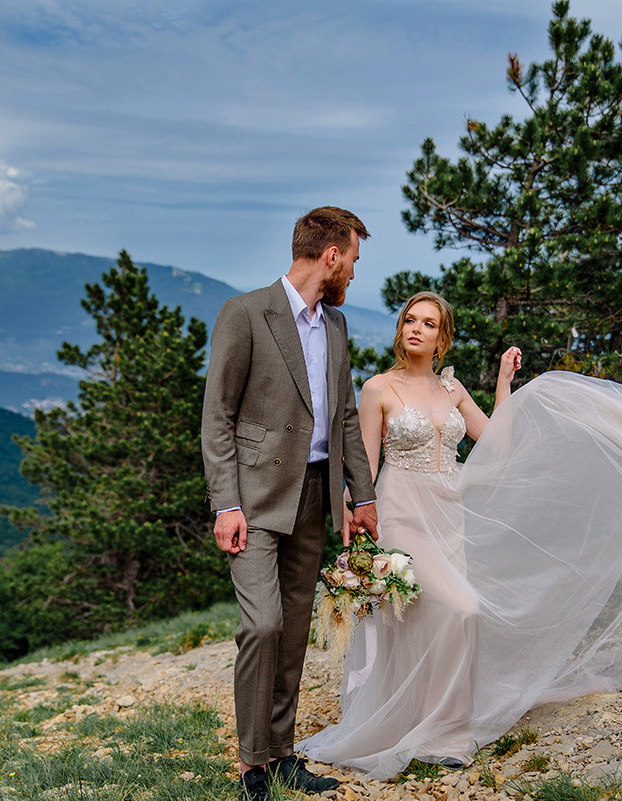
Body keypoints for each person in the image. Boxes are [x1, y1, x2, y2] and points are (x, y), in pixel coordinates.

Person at [299, 292, 622, 779]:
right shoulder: (378, 389)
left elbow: (498, 441)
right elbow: (365, 466)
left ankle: (442, 727)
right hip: (402, 513)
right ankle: (424, 723)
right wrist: (356, 520)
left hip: (450, 512)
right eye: (410, 319)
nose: (416, 328)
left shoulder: (451, 390)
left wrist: (503, 382)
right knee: (462, 610)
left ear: (441, 338)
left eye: (429, 323)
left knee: (440, 618)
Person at [202, 206, 380, 801]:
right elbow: (217, 418)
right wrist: (225, 504)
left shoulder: (335, 326)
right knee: (264, 624)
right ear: (330, 255)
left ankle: (281, 756)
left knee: (295, 630)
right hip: (253, 501)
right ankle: (253, 765)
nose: (353, 271)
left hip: (316, 495)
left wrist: (361, 493)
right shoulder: (246, 314)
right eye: (352, 258)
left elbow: (346, 416)